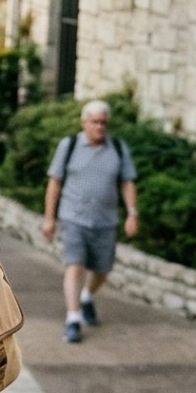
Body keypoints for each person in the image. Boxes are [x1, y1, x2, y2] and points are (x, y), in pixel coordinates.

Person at [42, 100, 138, 342]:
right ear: (84, 122)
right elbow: (55, 182)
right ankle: (73, 319)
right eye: (94, 122)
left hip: (106, 221)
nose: (99, 127)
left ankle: (86, 296)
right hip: (73, 217)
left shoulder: (117, 147)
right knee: (75, 265)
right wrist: (49, 218)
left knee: (102, 270)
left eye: (103, 122)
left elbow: (127, 182)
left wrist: (132, 213)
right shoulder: (70, 145)